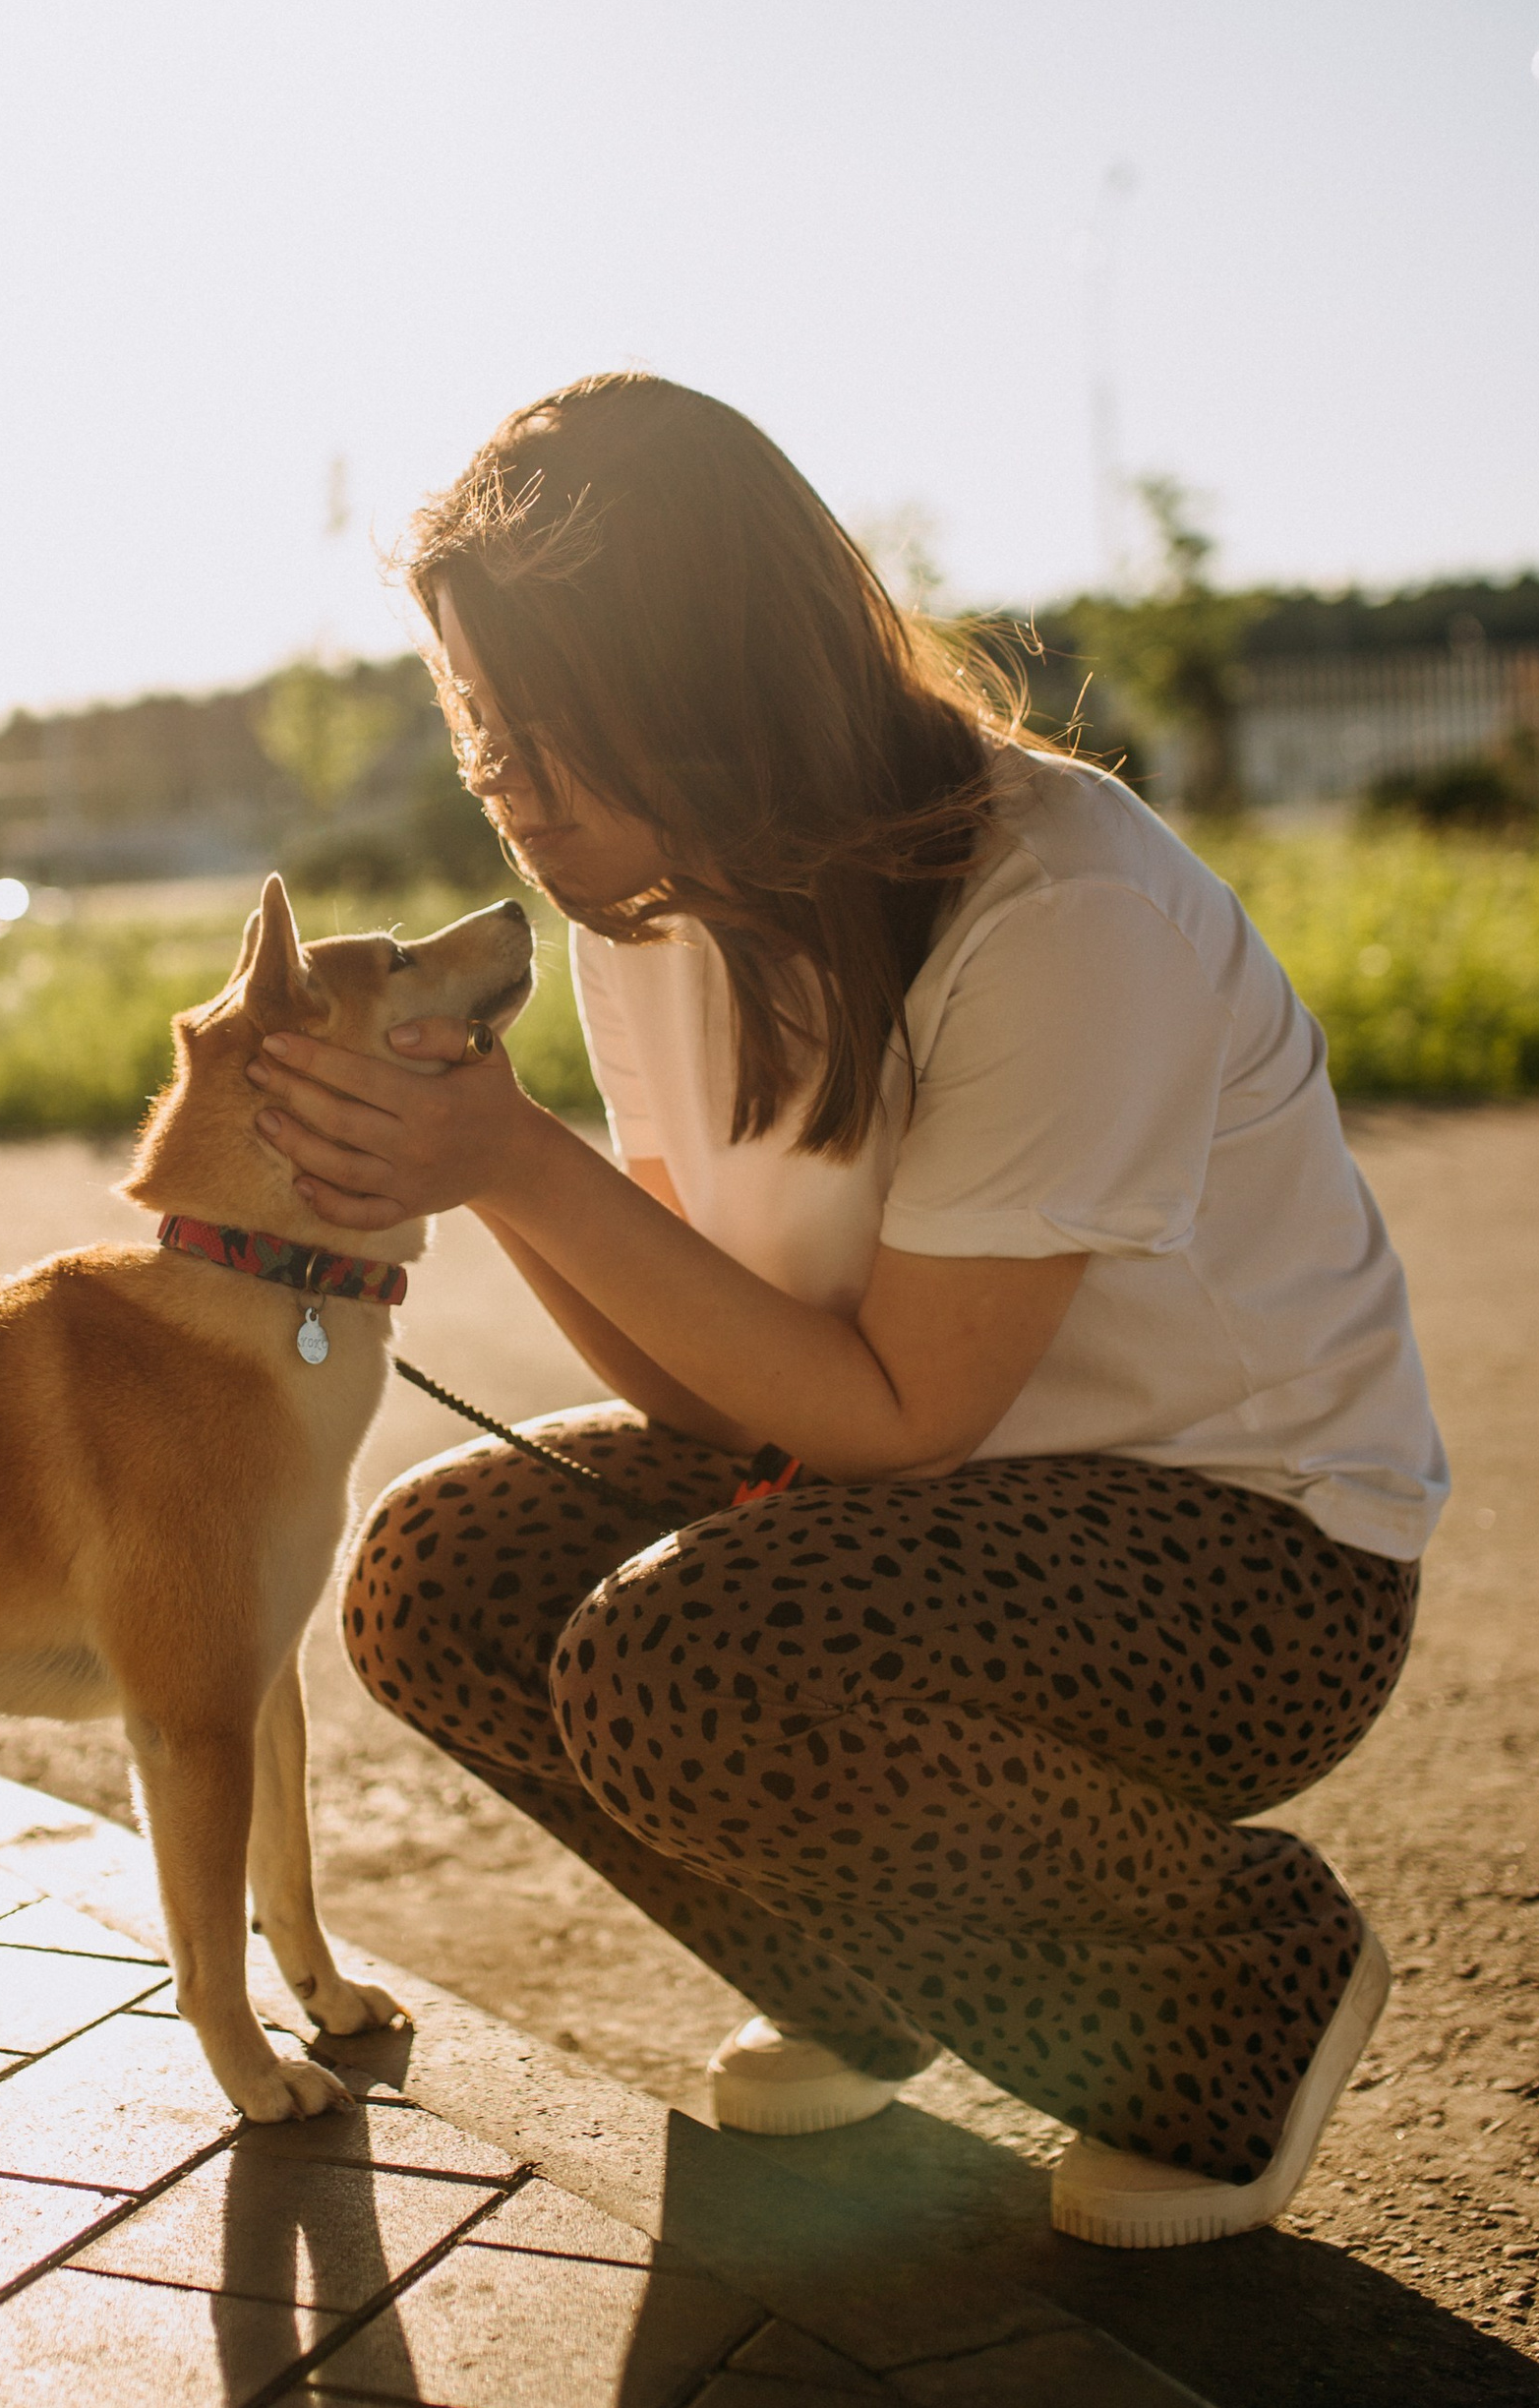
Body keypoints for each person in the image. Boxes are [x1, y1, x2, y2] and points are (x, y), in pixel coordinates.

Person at [243, 372, 1446, 2250]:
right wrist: (477, 1167)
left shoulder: (1059, 903)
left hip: (1252, 1550)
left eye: (554, 734)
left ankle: (1246, 1982)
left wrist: (516, 1160)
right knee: (437, 1576)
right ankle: (855, 1977)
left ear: (718, 690)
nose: (510, 797)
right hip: (907, 1518)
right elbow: (722, 1383)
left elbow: (901, 1418)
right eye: (480, 735)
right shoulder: (642, 914)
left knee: (685, 1664)